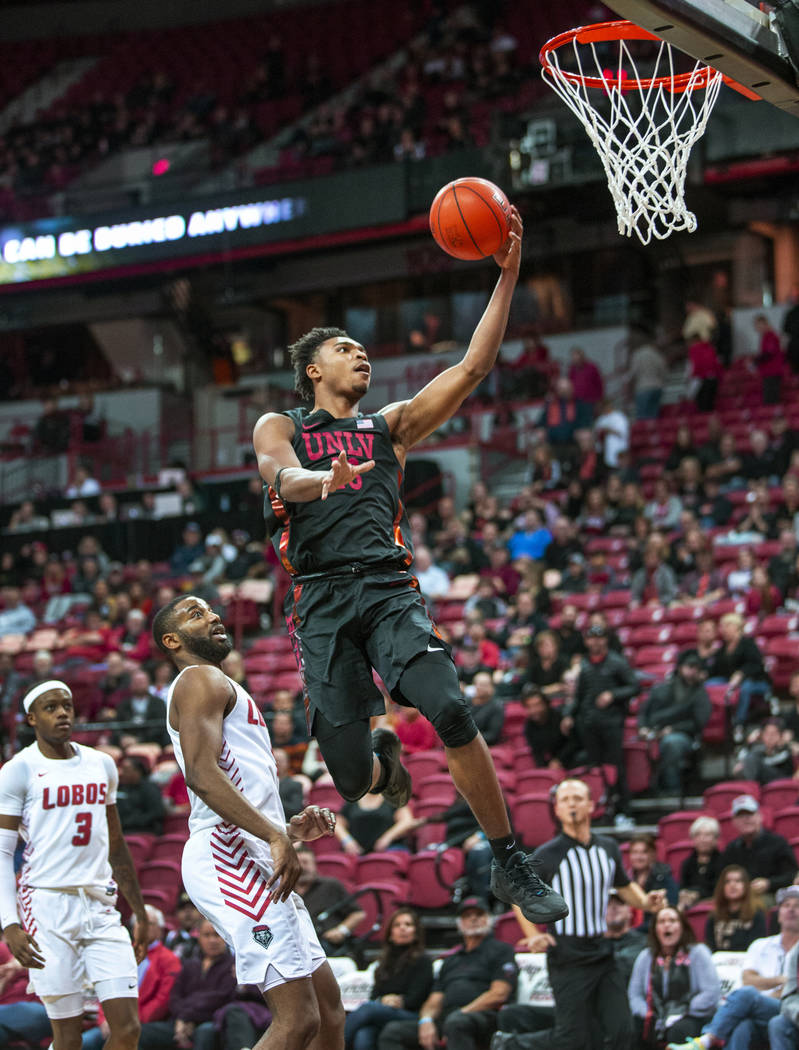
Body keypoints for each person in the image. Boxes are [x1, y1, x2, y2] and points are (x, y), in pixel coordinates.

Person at [251, 209, 567, 926]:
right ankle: (381, 760)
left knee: (452, 708)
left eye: (364, 350)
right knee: (351, 778)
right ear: (313, 370)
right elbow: (280, 476)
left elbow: (473, 366)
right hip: (321, 602)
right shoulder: (284, 428)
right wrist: (317, 481)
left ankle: (508, 861)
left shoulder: (387, 426)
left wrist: (507, 274)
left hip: (388, 588)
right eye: (345, 348)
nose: (361, 356)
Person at [152, 594, 347, 1049]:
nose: (214, 615)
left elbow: (241, 787)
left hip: (253, 848)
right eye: (196, 614)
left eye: (210, 609)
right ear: (172, 640)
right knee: (296, 1019)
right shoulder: (197, 679)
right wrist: (274, 836)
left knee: (329, 1012)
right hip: (228, 856)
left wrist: (290, 830)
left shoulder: (223, 686)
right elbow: (202, 775)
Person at [0, 680, 147, 1050]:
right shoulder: (18, 770)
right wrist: (9, 924)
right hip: (46, 905)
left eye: (66, 705)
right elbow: (2, 854)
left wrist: (141, 912)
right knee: (68, 1037)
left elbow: (116, 844)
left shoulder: (101, 764)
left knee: (128, 1028)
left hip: (100, 904)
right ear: (31, 718)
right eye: (51, 707)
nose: (63, 713)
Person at [490, 778, 665, 1050]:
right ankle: (509, 1044)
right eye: (565, 799)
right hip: (567, 955)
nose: (572, 803)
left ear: (591, 806)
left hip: (602, 952)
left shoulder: (608, 848)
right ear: (557, 810)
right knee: (572, 1038)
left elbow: (624, 885)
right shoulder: (549, 854)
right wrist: (533, 935)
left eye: (578, 798)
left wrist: (646, 903)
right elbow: (517, 894)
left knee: (622, 1031)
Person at [668, 885, 799, 1050]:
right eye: (786, 905)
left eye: (797, 906)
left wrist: (766, 989)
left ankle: (706, 1040)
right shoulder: (761, 945)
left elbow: (787, 990)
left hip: (788, 1009)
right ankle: (708, 1039)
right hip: (759, 1010)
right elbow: (748, 979)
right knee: (742, 1026)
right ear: (778, 913)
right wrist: (780, 981)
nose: (791, 910)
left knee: (747, 995)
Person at [380, 895, 518, 1050]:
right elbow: (434, 1000)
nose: (473, 919)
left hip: (485, 1017)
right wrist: (425, 1021)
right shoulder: (451, 960)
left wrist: (461, 1013)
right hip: (449, 1018)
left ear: (489, 919)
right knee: (393, 1031)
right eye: (467, 916)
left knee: (457, 1023)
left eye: (479, 915)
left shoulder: (501, 950)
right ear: (460, 923)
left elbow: (499, 994)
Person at [562, 624, 639, 827]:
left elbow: (635, 686)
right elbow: (580, 696)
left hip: (612, 723)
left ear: (606, 640)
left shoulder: (617, 662)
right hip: (589, 724)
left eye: (599, 638)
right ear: (586, 641)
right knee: (595, 770)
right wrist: (569, 715)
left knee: (616, 768)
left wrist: (613, 695)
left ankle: (625, 811)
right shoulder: (585, 664)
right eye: (591, 638)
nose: (595, 642)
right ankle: (601, 809)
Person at [82, 905, 181, 1050]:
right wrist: (105, 1019)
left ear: (160, 930)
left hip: (144, 1024)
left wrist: (129, 1022)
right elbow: (106, 990)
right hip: (113, 1022)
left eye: (149, 923)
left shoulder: (169, 959)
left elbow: (162, 1000)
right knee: (83, 1043)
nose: (143, 927)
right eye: (139, 922)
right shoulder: (121, 954)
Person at [137, 919, 238, 1050]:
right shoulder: (190, 964)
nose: (212, 940)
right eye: (207, 935)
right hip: (180, 1021)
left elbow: (221, 998)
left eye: (217, 935)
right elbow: (174, 997)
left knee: (204, 1033)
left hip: (211, 1021)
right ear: (199, 937)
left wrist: (186, 1017)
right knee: (142, 1032)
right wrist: (181, 1019)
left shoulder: (233, 966)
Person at [628, 906, 720, 1049]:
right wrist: (648, 1014)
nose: (667, 925)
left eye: (672, 920)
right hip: (655, 1015)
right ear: (655, 929)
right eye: (661, 921)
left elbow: (711, 992)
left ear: (682, 926)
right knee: (631, 1028)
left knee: (678, 1030)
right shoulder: (646, 957)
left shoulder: (698, 953)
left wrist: (683, 1011)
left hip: (692, 1015)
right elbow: (634, 995)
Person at [344, 908, 434, 1050]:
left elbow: (417, 998)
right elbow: (374, 994)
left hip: (412, 1015)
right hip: (385, 1011)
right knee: (363, 1034)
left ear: (416, 932)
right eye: (397, 925)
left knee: (368, 1009)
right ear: (390, 934)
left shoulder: (423, 960)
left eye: (408, 924)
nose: (402, 928)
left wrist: (397, 1001)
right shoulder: (383, 962)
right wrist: (384, 1001)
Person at [636, 653, 711, 795]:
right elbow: (644, 712)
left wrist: (673, 729)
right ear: (681, 668)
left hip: (684, 735)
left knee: (672, 743)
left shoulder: (700, 694)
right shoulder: (663, 688)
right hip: (654, 731)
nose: (692, 671)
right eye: (689, 667)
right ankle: (641, 789)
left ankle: (672, 788)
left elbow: (698, 723)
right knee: (633, 745)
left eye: (696, 668)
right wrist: (642, 728)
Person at [708, 613, 771, 741]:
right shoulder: (722, 648)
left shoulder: (748, 643)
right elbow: (716, 670)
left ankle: (739, 724)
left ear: (736, 627)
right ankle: (712, 720)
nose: (723, 629)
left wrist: (741, 673)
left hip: (756, 681)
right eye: (722, 626)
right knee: (709, 684)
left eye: (727, 626)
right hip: (729, 680)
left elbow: (757, 665)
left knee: (744, 688)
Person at [719, 794, 797, 898]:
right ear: (734, 822)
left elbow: (791, 875)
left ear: (760, 816)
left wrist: (769, 883)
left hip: (771, 895)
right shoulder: (731, 849)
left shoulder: (778, 842)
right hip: (739, 898)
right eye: (741, 816)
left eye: (750, 814)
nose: (746, 819)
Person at [705, 865, 768, 952]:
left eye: (738, 881)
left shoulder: (757, 914)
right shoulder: (713, 916)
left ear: (746, 885)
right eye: (727, 881)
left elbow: (758, 947)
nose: (732, 885)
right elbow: (710, 948)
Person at [678, 816, 725, 909]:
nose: (703, 839)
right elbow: (683, 887)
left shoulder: (724, 862)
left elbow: (720, 891)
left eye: (708, 835)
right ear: (693, 839)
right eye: (698, 835)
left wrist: (697, 894)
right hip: (689, 908)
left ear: (716, 839)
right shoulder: (687, 864)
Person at [115, 754, 166, 836]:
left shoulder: (150, 788)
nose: (122, 773)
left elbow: (157, 813)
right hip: (123, 831)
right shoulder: (120, 788)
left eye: (126, 770)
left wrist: (131, 821)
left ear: (137, 772)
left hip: (145, 830)